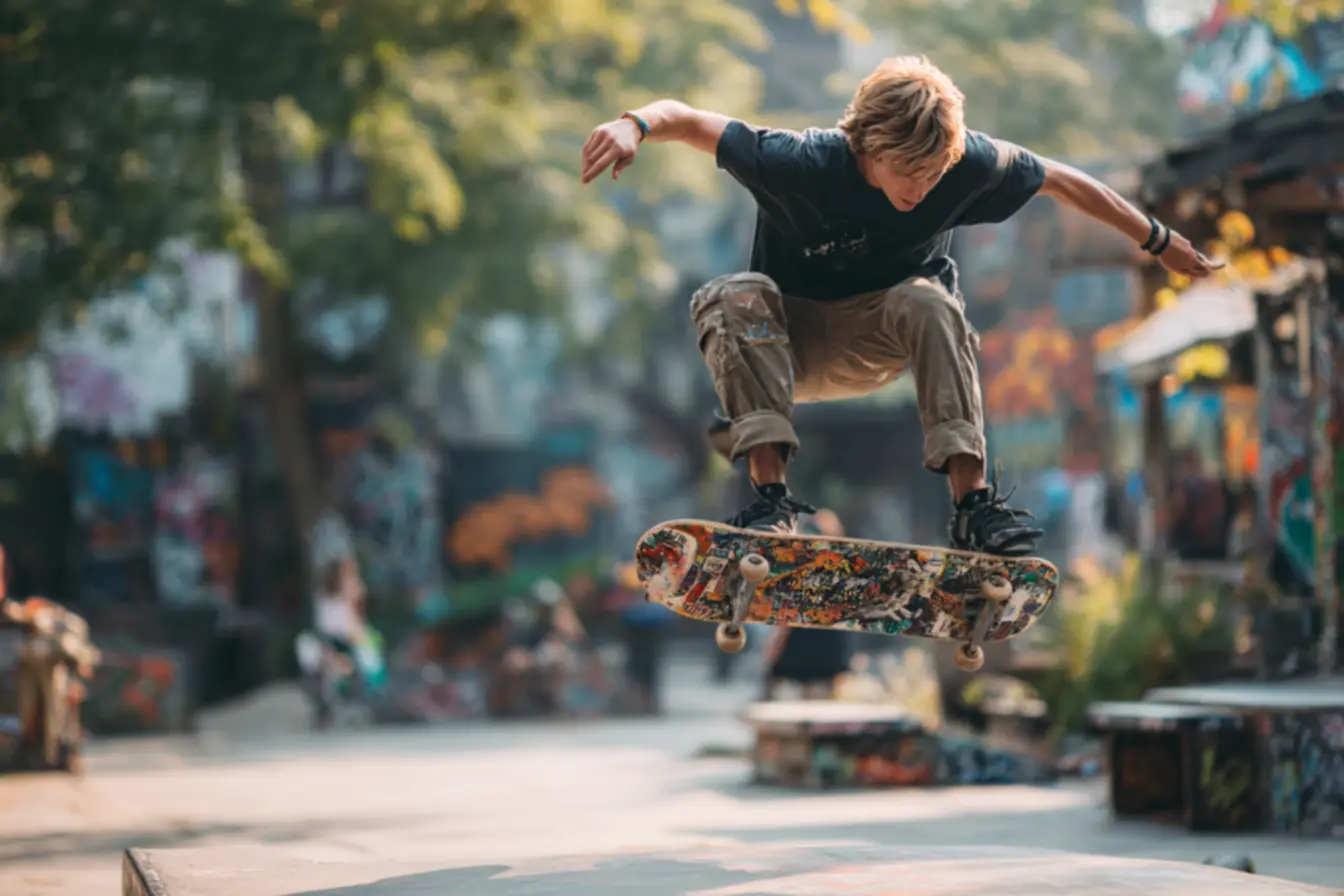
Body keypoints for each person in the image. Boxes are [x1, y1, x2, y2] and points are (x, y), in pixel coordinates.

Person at [580, 56, 1223, 555]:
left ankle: (974, 507)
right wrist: (631, 124)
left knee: (931, 301)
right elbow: (689, 119)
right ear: (866, 147)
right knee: (731, 295)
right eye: (906, 172)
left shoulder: (963, 162)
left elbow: (1063, 179)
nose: (921, 188)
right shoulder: (798, 161)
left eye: (934, 173)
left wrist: (1157, 240)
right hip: (788, 348)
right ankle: (771, 502)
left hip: (882, 341)